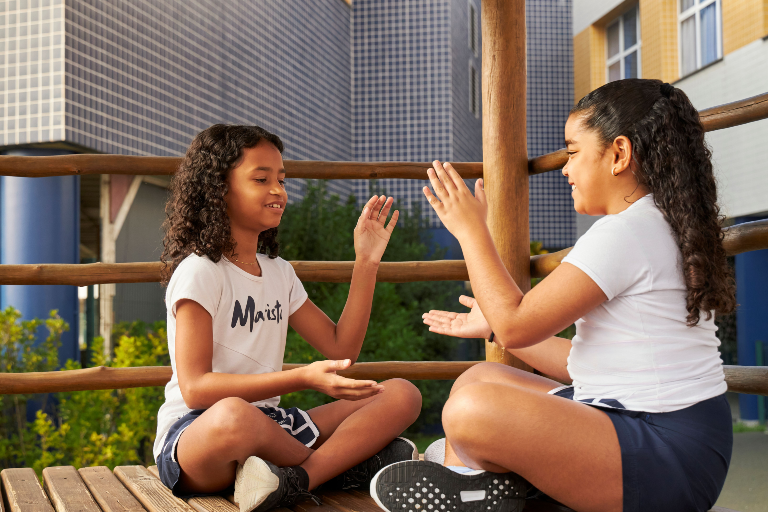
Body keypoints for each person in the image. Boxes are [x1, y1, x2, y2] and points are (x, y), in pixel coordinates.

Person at [369, 79, 735, 512]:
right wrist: (496, 327)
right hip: (668, 439)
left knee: (471, 409)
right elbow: (584, 362)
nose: (564, 168)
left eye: (573, 151)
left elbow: (516, 324)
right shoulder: (652, 222)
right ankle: (479, 489)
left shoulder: (628, 232)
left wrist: (471, 231)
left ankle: (473, 484)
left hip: (667, 454)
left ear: (619, 154)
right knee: (479, 380)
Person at [154, 124, 422, 512]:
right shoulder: (200, 272)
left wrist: (366, 262)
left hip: (274, 427)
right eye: (261, 179)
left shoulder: (279, 273)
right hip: (201, 437)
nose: (278, 190)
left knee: (402, 394)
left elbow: (341, 348)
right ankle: (337, 465)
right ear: (219, 189)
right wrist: (301, 377)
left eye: (281, 179)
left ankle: (295, 479)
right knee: (234, 415)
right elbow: (195, 389)